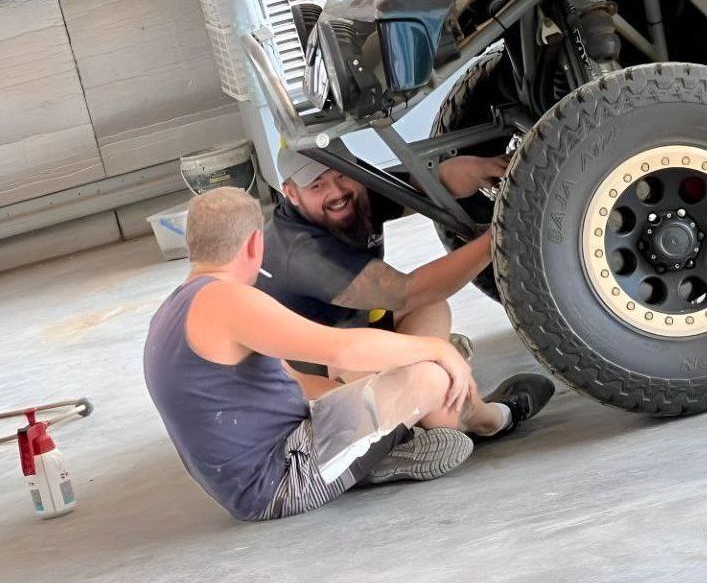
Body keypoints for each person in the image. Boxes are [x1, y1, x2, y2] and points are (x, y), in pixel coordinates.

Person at [145, 187, 484, 521]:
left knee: (378, 372)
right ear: (254, 243)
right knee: (431, 377)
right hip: (281, 480)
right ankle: (475, 421)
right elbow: (345, 349)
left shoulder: (173, 309)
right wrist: (435, 349)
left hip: (255, 481)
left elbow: (297, 381)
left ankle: (384, 446)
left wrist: (369, 391)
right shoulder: (227, 300)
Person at [257, 145, 555, 439]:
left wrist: (486, 167)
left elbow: (424, 184)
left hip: (350, 332)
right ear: (292, 193)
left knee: (431, 307)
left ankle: (426, 403)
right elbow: (406, 292)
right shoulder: (301, 252)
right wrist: (499, 235)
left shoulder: (351, 196)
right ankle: (482, 418)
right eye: (317, 185)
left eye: (341, 175)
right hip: (317, 382)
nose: (336, 192)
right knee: (432, 365)